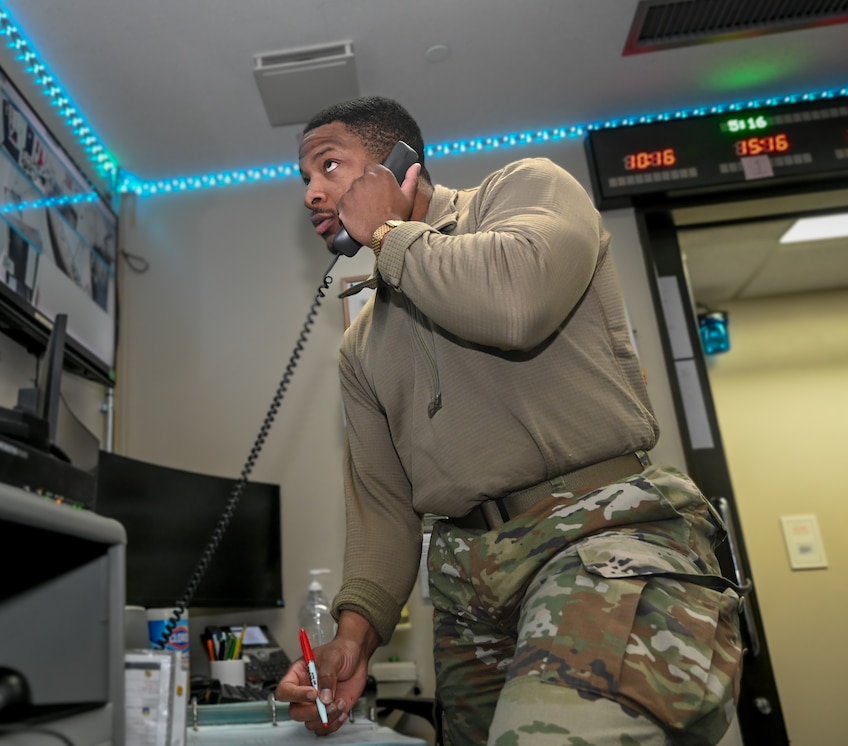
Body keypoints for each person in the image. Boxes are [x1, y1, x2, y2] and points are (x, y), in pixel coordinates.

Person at [273, 96, 744, 745]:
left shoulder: (523, 191)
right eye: (304, 178)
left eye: (328, 166)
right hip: (469, 588)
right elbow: (383, 509)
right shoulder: (361, 347)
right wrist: (353, 639)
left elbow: (516, 304)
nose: (310, 194)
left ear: (397, 164)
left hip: (599, 536)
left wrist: (387, 235)